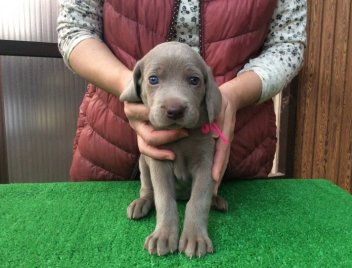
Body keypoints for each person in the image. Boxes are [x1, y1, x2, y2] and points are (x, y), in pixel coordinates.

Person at [57, 0, 306, 193]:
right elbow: (74, 28)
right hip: (112, 150)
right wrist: (133, 88)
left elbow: (288, 44)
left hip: (233, 153)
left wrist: (232, 96)